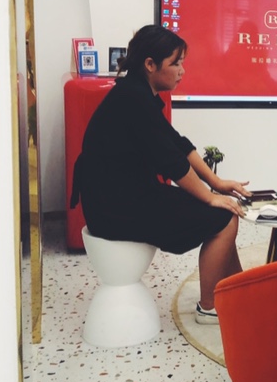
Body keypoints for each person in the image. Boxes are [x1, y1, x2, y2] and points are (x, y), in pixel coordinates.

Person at [70, 24, 250, 325]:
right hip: (116, 209)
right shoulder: (133, 99)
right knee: (223, 219)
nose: (182, 71)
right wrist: (210, 198)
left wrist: (216, 184)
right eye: (175, 63)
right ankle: (209, 307)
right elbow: (173, 164)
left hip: (124, 197)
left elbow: (177, 144)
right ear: (150, 65)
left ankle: (237, 290)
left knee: (224, 213)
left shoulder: (137, 93)